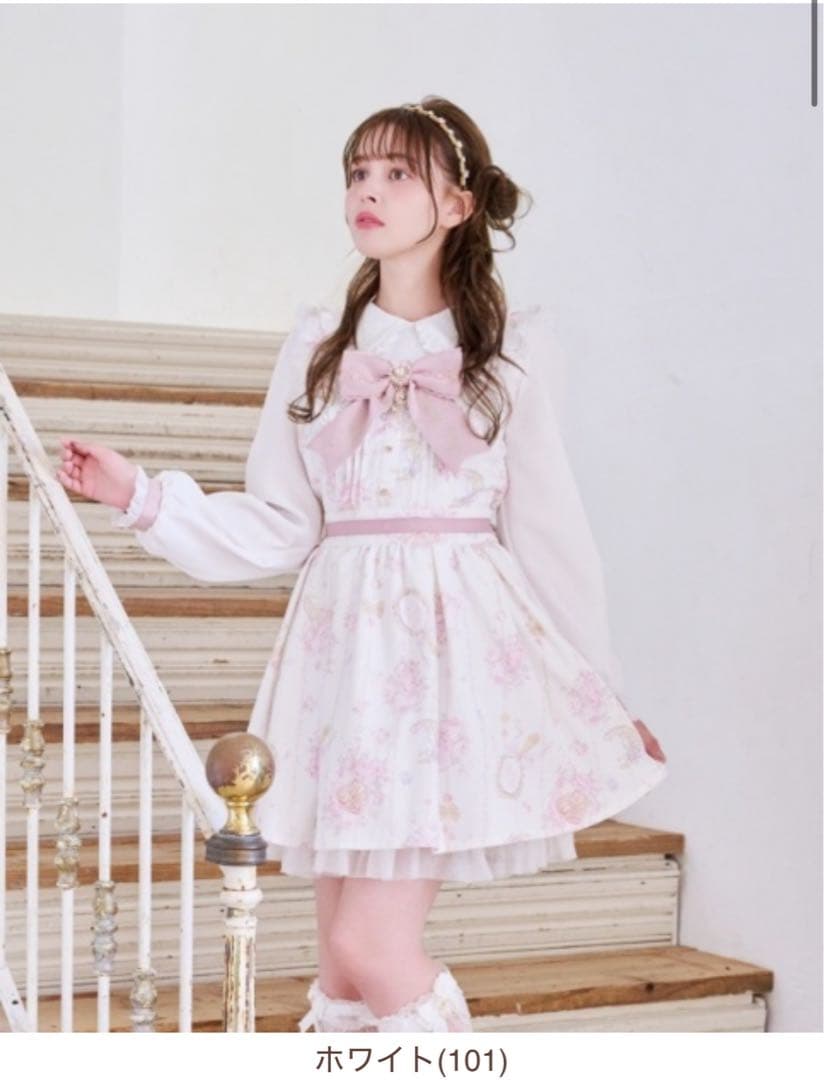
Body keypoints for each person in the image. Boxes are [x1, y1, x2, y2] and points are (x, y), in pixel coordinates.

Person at [55, 95, 667, 1034]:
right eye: (357, 173)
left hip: (446, 665)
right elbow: (280, 522)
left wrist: (602, 692)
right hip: (342, 664)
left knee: (370, 947)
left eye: (397, 174)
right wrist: (141, 493)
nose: (367, 192)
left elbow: (550, 533)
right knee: (341, 970)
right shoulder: (320, 350)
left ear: (457, 204)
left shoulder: (506, 355)